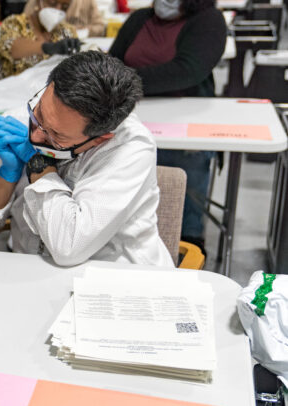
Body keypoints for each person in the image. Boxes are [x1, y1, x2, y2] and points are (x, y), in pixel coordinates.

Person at [0, 51, 173, 267]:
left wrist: (38, 165)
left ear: (99, 139)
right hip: (30, 271)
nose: (35, 134)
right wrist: (6, 176)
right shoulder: (19, 123)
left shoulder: (131, 148)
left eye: (56, 136)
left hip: (115, 275)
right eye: (39, 113)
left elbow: (68, 247)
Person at [108, 0, 226, 250]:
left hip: (184, 124)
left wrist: (124, 81)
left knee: (180, 191)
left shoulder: (208, 21)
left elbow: (187, 71)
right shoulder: (140, 19)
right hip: (132, 117)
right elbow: (111, 63)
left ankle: (187, 242)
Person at [0, 0, 80, 78]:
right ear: (38, 2)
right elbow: (11, 47)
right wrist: (49, 47)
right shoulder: (15, 23)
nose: (58, 10)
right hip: (11, 88)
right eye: (52, 3)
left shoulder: (67, 31)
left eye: (64, 7)